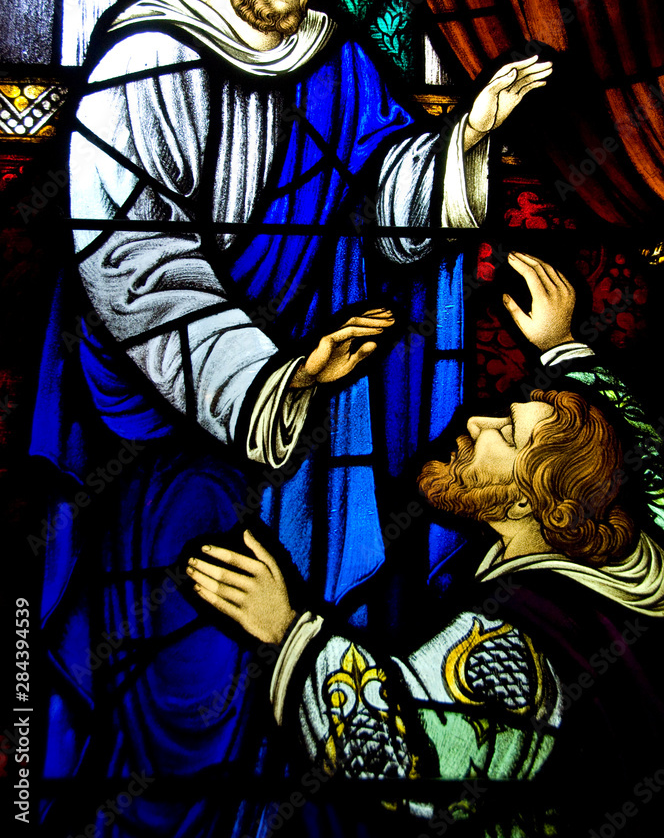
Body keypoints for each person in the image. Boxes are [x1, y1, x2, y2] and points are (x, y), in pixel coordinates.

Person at [31, 0, 552, 838]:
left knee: (285, 619)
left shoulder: (338, 60)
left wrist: (463, 141)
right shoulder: (148, 54)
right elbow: (132, 254)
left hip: (305, 414)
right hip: (161, 406)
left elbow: (384, 192)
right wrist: (271, 377)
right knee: (176, 657)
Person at [187, 254, 664, 837]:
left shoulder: (517, 639)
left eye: (506, 435)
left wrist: (288, 630)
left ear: (528, 504)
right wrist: (565, 349)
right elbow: (651, 463)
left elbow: (406, 763)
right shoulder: (637, 559)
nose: (475, 423)